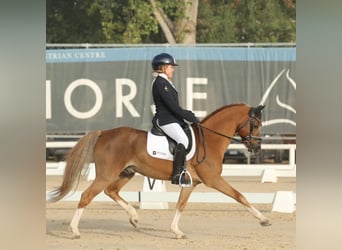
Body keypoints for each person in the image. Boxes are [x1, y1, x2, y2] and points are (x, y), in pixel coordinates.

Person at [151, 53, 199, 185]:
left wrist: (186, 114)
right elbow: (172, 106)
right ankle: (177, 174)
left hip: (172, 119)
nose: (173, 69)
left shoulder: (166, 82)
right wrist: (189, 116)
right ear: (164, 67)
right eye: (171, 67)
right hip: (165, 119)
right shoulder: (160, 83)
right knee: (182, 139)